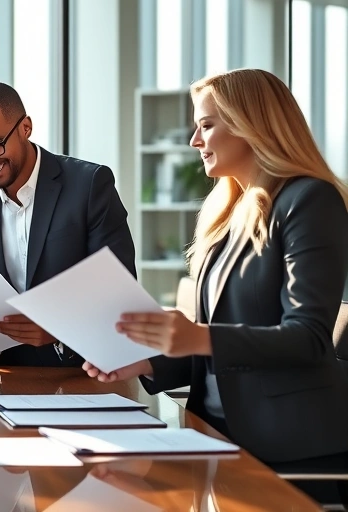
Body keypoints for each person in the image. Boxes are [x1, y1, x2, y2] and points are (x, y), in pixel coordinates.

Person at [82, 68, 348, 503]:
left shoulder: (309, 201)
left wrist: (195, 336)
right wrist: (147, 363)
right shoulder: (228, 214)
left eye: (206, 125)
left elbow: (308, 339)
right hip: (218, 436)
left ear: (251, 126)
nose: (195, 141)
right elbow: (217, 346)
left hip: (289, 449)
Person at [0, 81, 136, 368]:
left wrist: (60, 331)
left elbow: (122, 292)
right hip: (8, 384)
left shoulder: (89, 185)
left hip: (87, 380)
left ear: (25, 128)